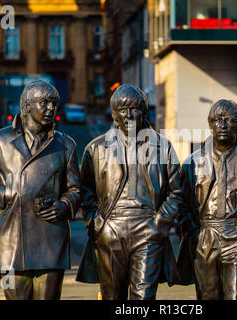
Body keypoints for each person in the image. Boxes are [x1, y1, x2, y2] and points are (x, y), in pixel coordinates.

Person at [0, 80, 81, 300]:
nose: (51, 109)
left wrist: (65, 205)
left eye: (54, 104)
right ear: (27, 106)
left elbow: (76, 189)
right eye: (45, 103)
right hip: (10, 246)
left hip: (51, 243)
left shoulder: (66, 145)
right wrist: (7, 194)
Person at [76, 84, 187, 300]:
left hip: (148, 228)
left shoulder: (162, 147)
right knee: (113, 297)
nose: (128, 115)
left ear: (144, 111)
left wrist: (160, 224)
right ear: (114, 113)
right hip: (111, 228)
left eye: (134, 108)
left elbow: (176, 191)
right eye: (122, 109)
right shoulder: (96, 149)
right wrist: (95, 223)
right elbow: (84, 191)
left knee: (143, 297)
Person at [178, 99, 237, 300]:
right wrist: (194, 235)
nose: (222, 125)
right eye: (217, 120)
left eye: (228, 120)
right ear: (210, 124)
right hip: (205, 237)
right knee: (207, 296)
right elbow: (181, 206)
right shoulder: (192, 163)